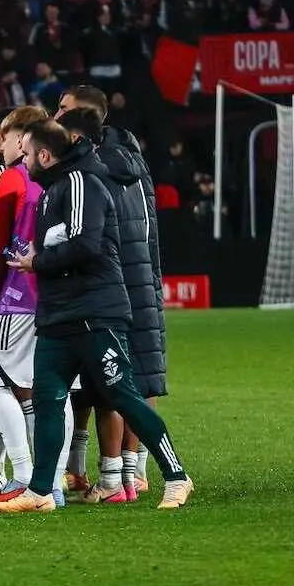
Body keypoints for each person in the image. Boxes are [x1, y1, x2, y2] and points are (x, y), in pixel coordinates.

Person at [0, 120, 194, 513]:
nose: (23, 156)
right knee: (48, 401)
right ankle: (39, 492)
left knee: (123, 396)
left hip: (93, 315)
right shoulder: (52, 191)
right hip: (58, 317)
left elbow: (86, 244)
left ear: (45, 155)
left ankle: (177, 476)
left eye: (28, 150)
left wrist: (39, 261)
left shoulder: (81, 183)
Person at [56, 85, 165, 495]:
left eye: (63, 108)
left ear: (83, 118)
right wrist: (154, 278)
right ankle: (133, 472)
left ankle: (104, 473)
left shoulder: (88, 168)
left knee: (104, 383)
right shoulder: (134, 159)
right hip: (142, 282)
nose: (56, 113)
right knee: (142, 378)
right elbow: (151, 226)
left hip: (107, 286)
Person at [0, 106, 52, 506]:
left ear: (23, 137)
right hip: (57, 296)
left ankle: (23, 474)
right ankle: (51, 480)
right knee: (44, 389)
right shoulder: (61, 177)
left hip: (19, 295)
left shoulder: (10, 179)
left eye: (1, 137)